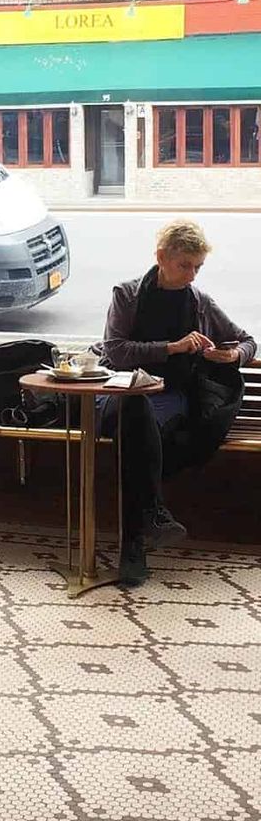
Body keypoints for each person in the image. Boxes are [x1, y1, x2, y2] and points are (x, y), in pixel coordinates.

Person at [99, 220, 256, 585]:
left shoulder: (199, 302)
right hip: (120, 390)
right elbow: (116, 351)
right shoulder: (127, 294)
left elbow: (247, 341)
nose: (192, 275)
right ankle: (147, 522)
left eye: (198, 267)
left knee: (135, 436)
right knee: (135, 409)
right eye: (185, 265)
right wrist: (172, 347)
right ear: (161, 257)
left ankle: (135, 543)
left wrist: (232, 356)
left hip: (170, 397)